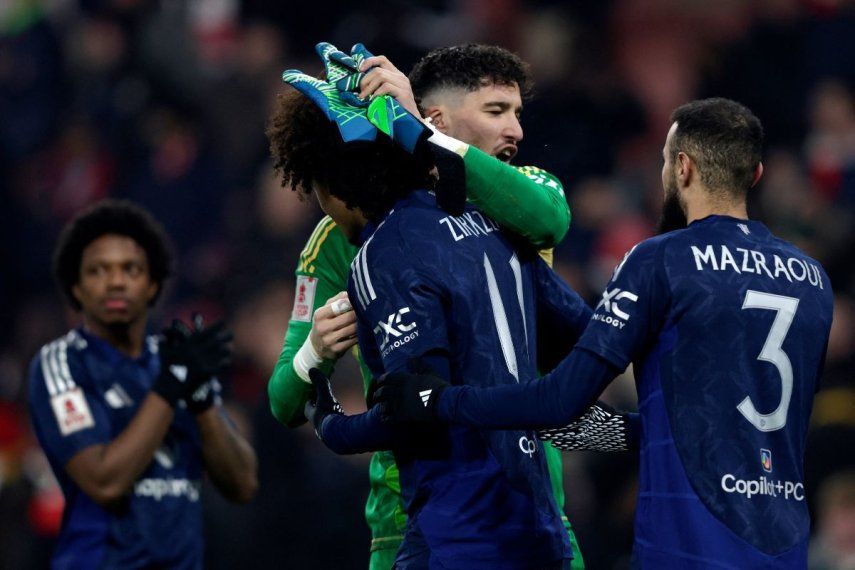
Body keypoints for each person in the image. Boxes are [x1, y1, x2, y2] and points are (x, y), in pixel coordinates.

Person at [376, 98, 835, 568]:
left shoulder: (660, 259)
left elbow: (560, 398)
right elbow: (732, 424)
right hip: (785, 548)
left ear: (682, 167)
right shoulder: (814, 279)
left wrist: (439, 400)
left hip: (688, 550)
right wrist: (622, 432)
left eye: (663, 161)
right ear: (755, 174)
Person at [268, 43, 600, 569]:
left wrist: (336, 428)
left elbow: (551, 222)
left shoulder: (522, 195)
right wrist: (313, 352)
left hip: (531, 497)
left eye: (517, 113)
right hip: (407, 516)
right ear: (437, 115)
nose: (515, 129)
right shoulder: (336, 241)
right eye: (496, 111)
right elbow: (283, 399)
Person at [28, 200, 258, 569]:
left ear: (153, 285)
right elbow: (104, 481)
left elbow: (242, 484)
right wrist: (171, 386)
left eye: (131, 269)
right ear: (76, 288)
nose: (116, 281)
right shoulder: (63, 363)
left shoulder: (176, 362)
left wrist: (200, 399)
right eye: (98, 271)